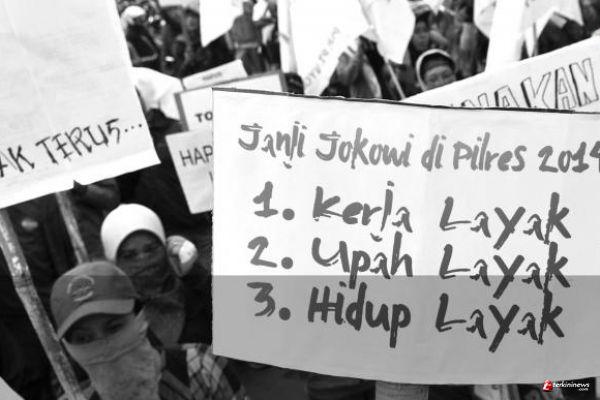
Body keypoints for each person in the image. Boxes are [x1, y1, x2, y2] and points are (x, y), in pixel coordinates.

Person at [50, 261, 248, 400]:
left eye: (114, 327)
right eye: (84, 338)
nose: (104, 345)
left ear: (140, 318)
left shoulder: (202, 368)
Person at [101, 203, 213, 346]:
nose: (143, 259)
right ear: (116, 263)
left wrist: (195, 273)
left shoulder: (196, 289)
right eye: (129, 255)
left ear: (165, 247)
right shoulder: (115, 314)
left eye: (151, 249)